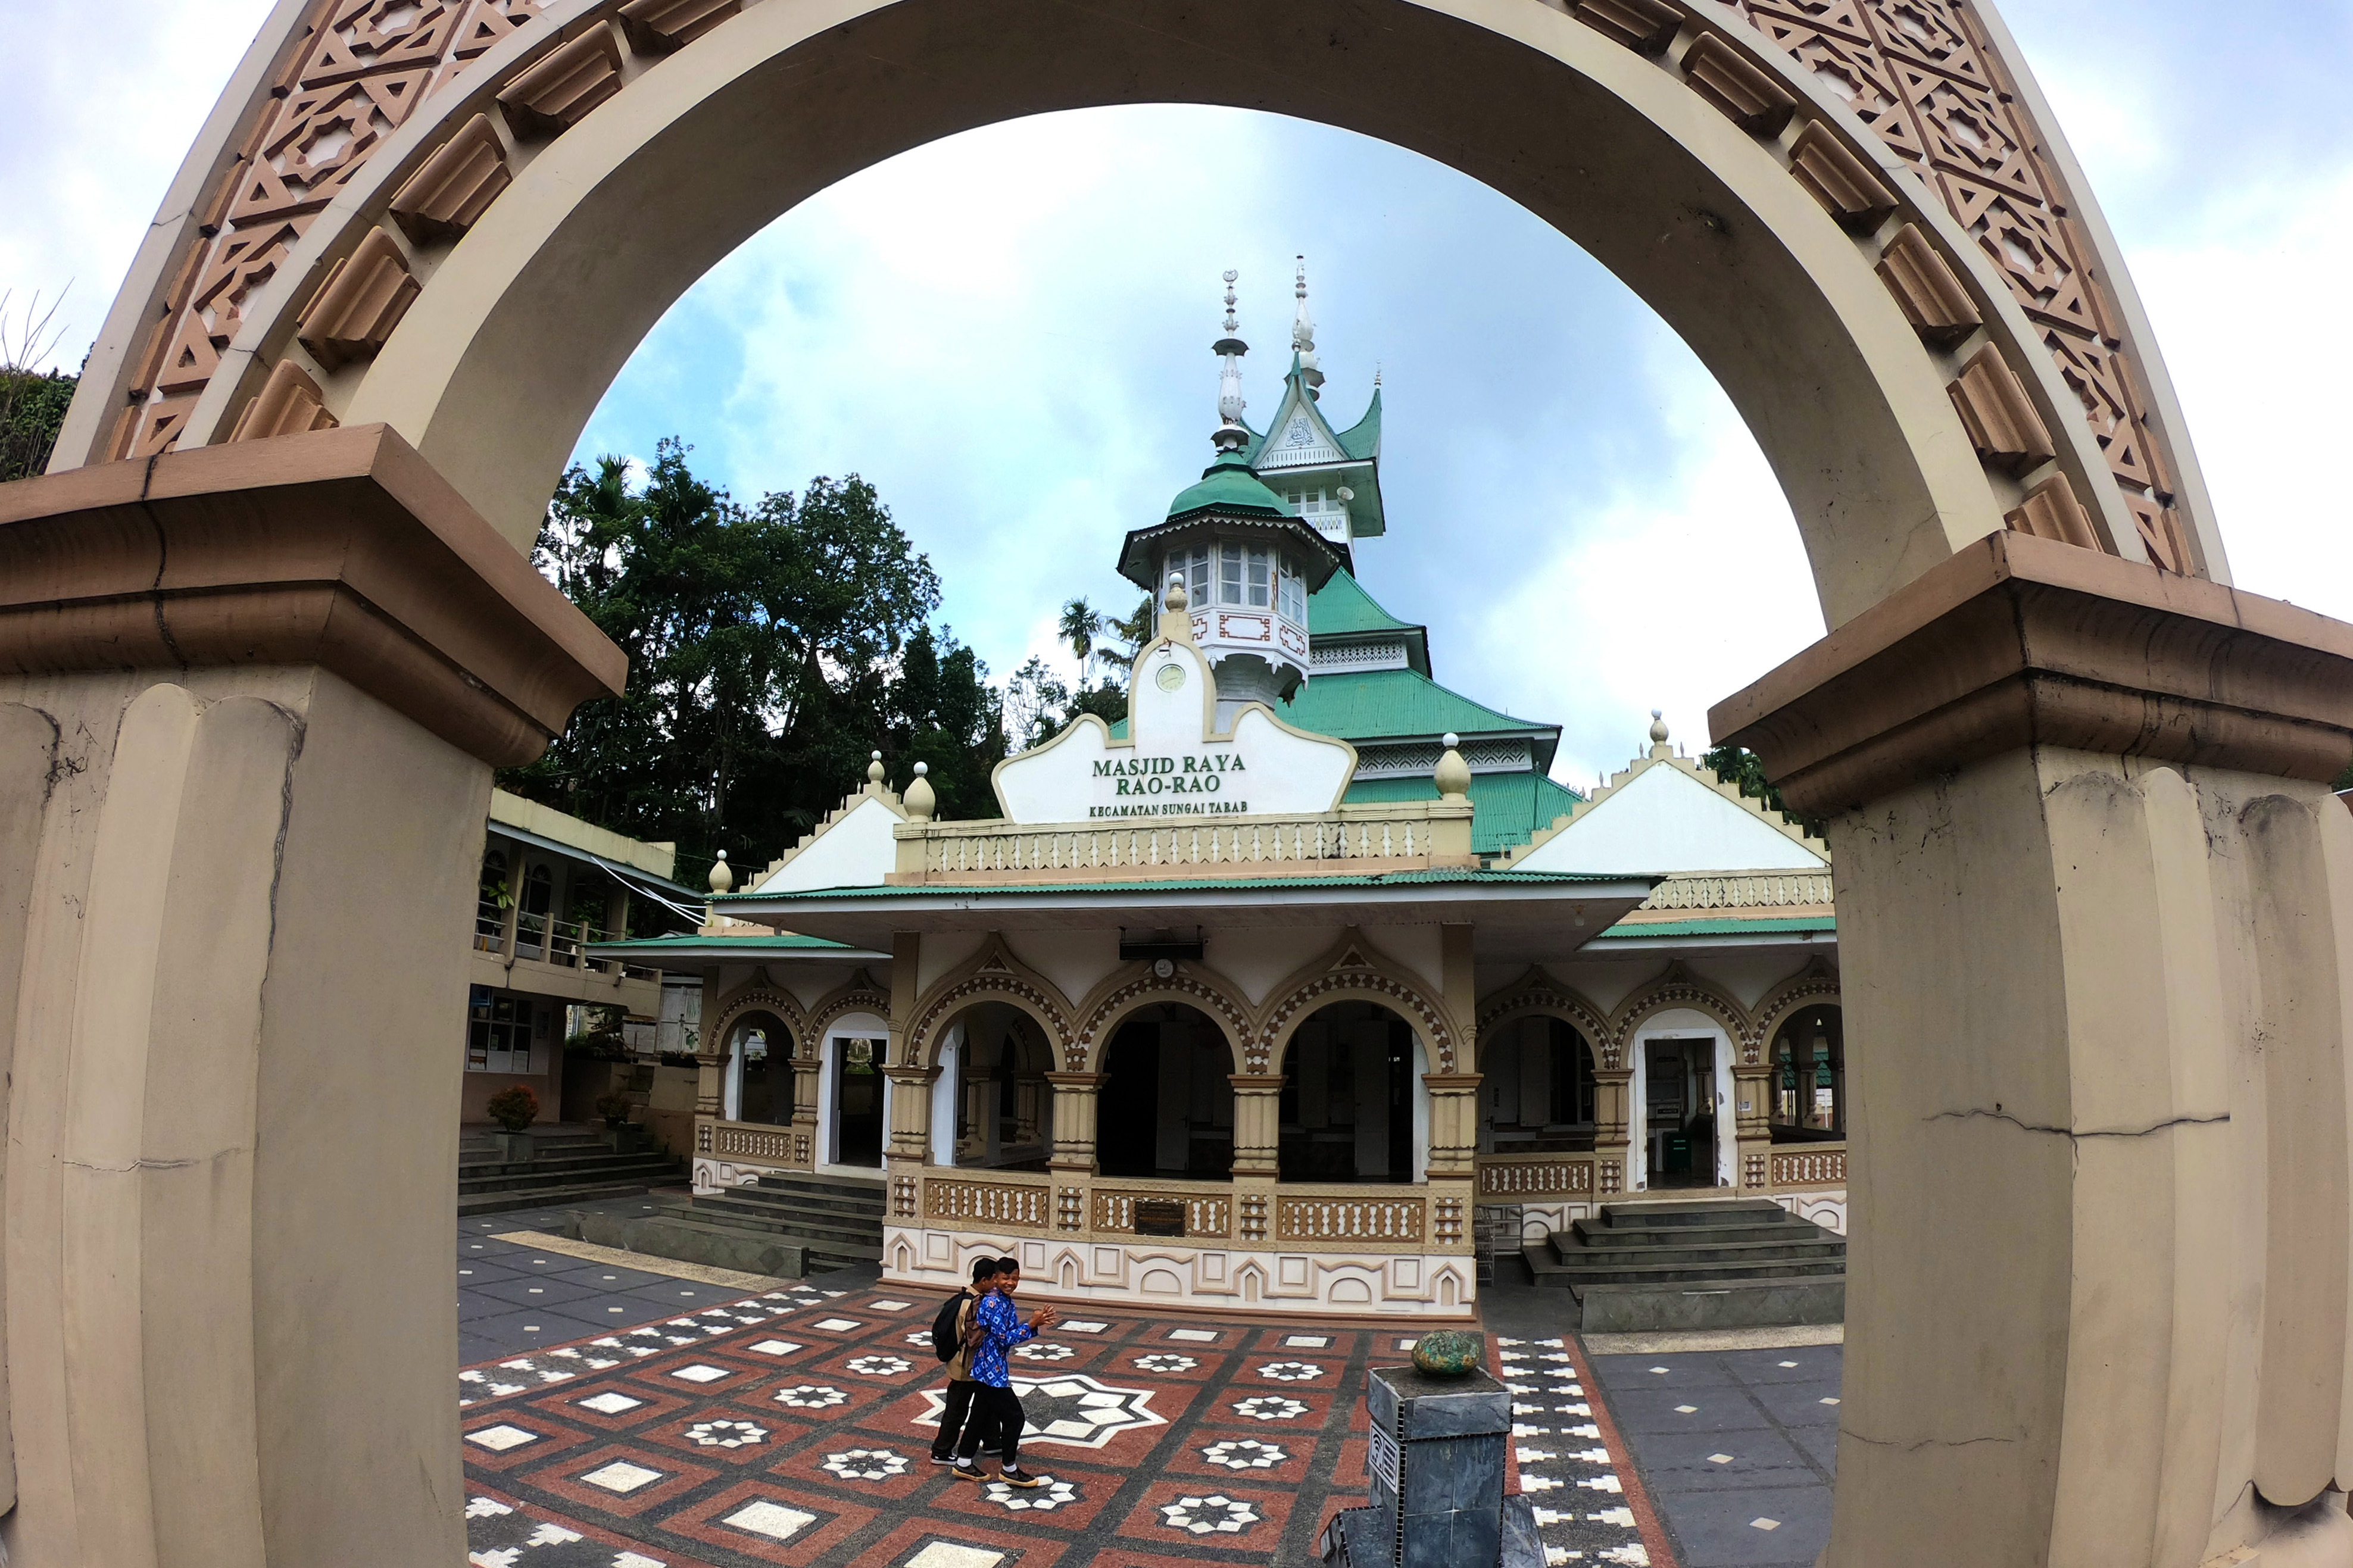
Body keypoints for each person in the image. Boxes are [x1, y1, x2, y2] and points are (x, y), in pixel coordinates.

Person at [949, 1255, 1057, 1487]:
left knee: (979, 1415)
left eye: (1015, 1279)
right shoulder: (993, 1303)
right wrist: (1031, 1325)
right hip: (991, 1372)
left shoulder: (1006, 1301)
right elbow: (1002, 1339)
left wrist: (1032, 1324)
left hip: (991, 1367)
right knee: (1015, 1418)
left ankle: (964, 1462)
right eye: (1006, 1278)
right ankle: (1009, 1469)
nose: (1011, 1282)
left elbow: (1007, 1336)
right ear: (995, 1278)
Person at [930, 1257, 997, 1464]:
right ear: (985, 1280)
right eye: (995, 1279)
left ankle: (993, 1442)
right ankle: (941, 1451)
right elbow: (975, 1339)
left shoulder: (964, 1296)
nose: (996, 1284)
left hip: (966, 1364)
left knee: (987, 1403)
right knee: (957, 1410)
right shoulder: (973, 1304)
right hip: (966, 1366)